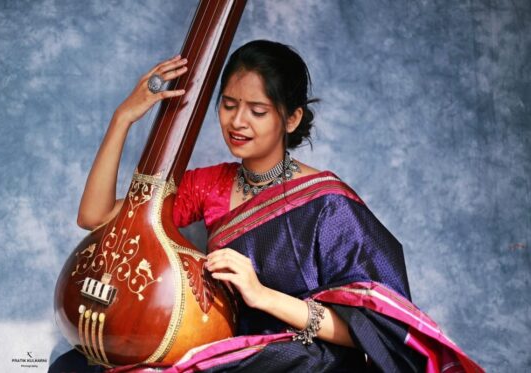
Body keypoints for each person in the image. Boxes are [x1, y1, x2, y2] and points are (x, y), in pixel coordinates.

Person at [70, 40, 482, 372]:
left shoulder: (327, 203)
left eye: (258, 110)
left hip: (307, 359)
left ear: (291, 118)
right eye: (229, 105)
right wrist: (123, 118)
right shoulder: (209, 184)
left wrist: (260, 295)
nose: (237, 122)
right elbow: (95, 217)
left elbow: (371, 328)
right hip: (228, 344)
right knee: (78, 365)